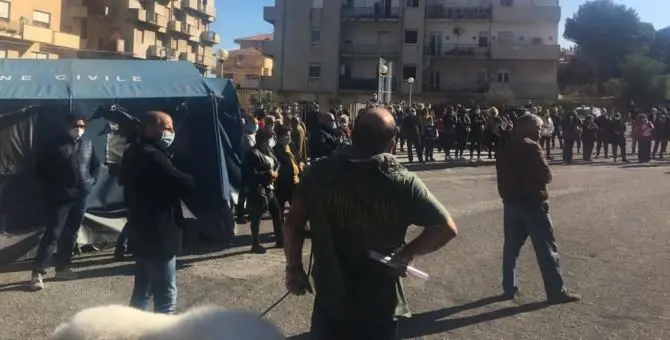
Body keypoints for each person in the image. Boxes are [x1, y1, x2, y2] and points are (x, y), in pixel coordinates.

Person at [283, 107, 458, 340]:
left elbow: (293, 223)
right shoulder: (403, 182)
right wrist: (405, 255)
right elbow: (445, 228)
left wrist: (294, 268)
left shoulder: (320, 174)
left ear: (353, 134)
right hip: (379, 303)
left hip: (332, 298)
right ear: (392, 143)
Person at [495, 113, 580, 304]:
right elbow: (545, 175)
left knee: (511, 249)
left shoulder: (505, 145)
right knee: (546, 249)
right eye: (539, 128)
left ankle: (509, 288)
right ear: (532, 128)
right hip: (532, 204)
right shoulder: (532, 146)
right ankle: (556, 291)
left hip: (511, 203)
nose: (541, 132)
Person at [123, 111, 194, 314]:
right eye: (168, 127)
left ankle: (134, 331)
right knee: (166, 294)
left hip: (140, 229)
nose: (172, 132)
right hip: (159, 232)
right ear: (152, 129)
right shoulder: (153, 155)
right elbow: (182, 182)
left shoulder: (132, 152)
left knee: (142, 290)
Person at [30, 114, 101, 290]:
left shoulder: (88, 143)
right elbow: (40, 170)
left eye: (82, 125)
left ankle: (62, 268)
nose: (79, 129)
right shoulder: (55, 145)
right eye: (76, 125)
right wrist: (55, 188)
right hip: (60, 197)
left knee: (71, 234)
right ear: (67, 126)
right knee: (53, 233)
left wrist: (90, 182)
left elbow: (96, 165)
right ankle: (38, 273)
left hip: (81, 196)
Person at [242, 128, 283, 254]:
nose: (270, 142)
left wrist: (275, 171)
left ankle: (280, 239)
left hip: (269, 188)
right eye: (268, 139)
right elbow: (250, 174)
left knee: (277, 212)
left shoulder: (268, 150)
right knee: (256, 217)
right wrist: (268, 174)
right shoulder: (252, 154)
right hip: (258, 189)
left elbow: (276, 162)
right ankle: (256, 244)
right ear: (263, 139)